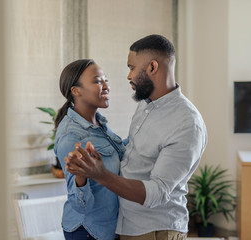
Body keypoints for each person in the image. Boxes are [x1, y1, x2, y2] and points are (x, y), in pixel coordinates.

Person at [64, 34, 208, 240]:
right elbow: (135, 156)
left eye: (132, 67)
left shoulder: (186, 123)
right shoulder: (145, 105)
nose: (128, 76)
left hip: (156, 231)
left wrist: (101, 174)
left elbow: (157, 192)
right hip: (129, 226)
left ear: (152, 67)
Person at [54, 59, 126, 240]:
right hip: (88, 232)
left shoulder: (100, 124)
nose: (106, 86)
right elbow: (80, 205)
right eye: (97, 81)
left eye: (106, 80)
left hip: (111, 227)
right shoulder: (71, 136)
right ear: (76, 91)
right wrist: (81, 177)